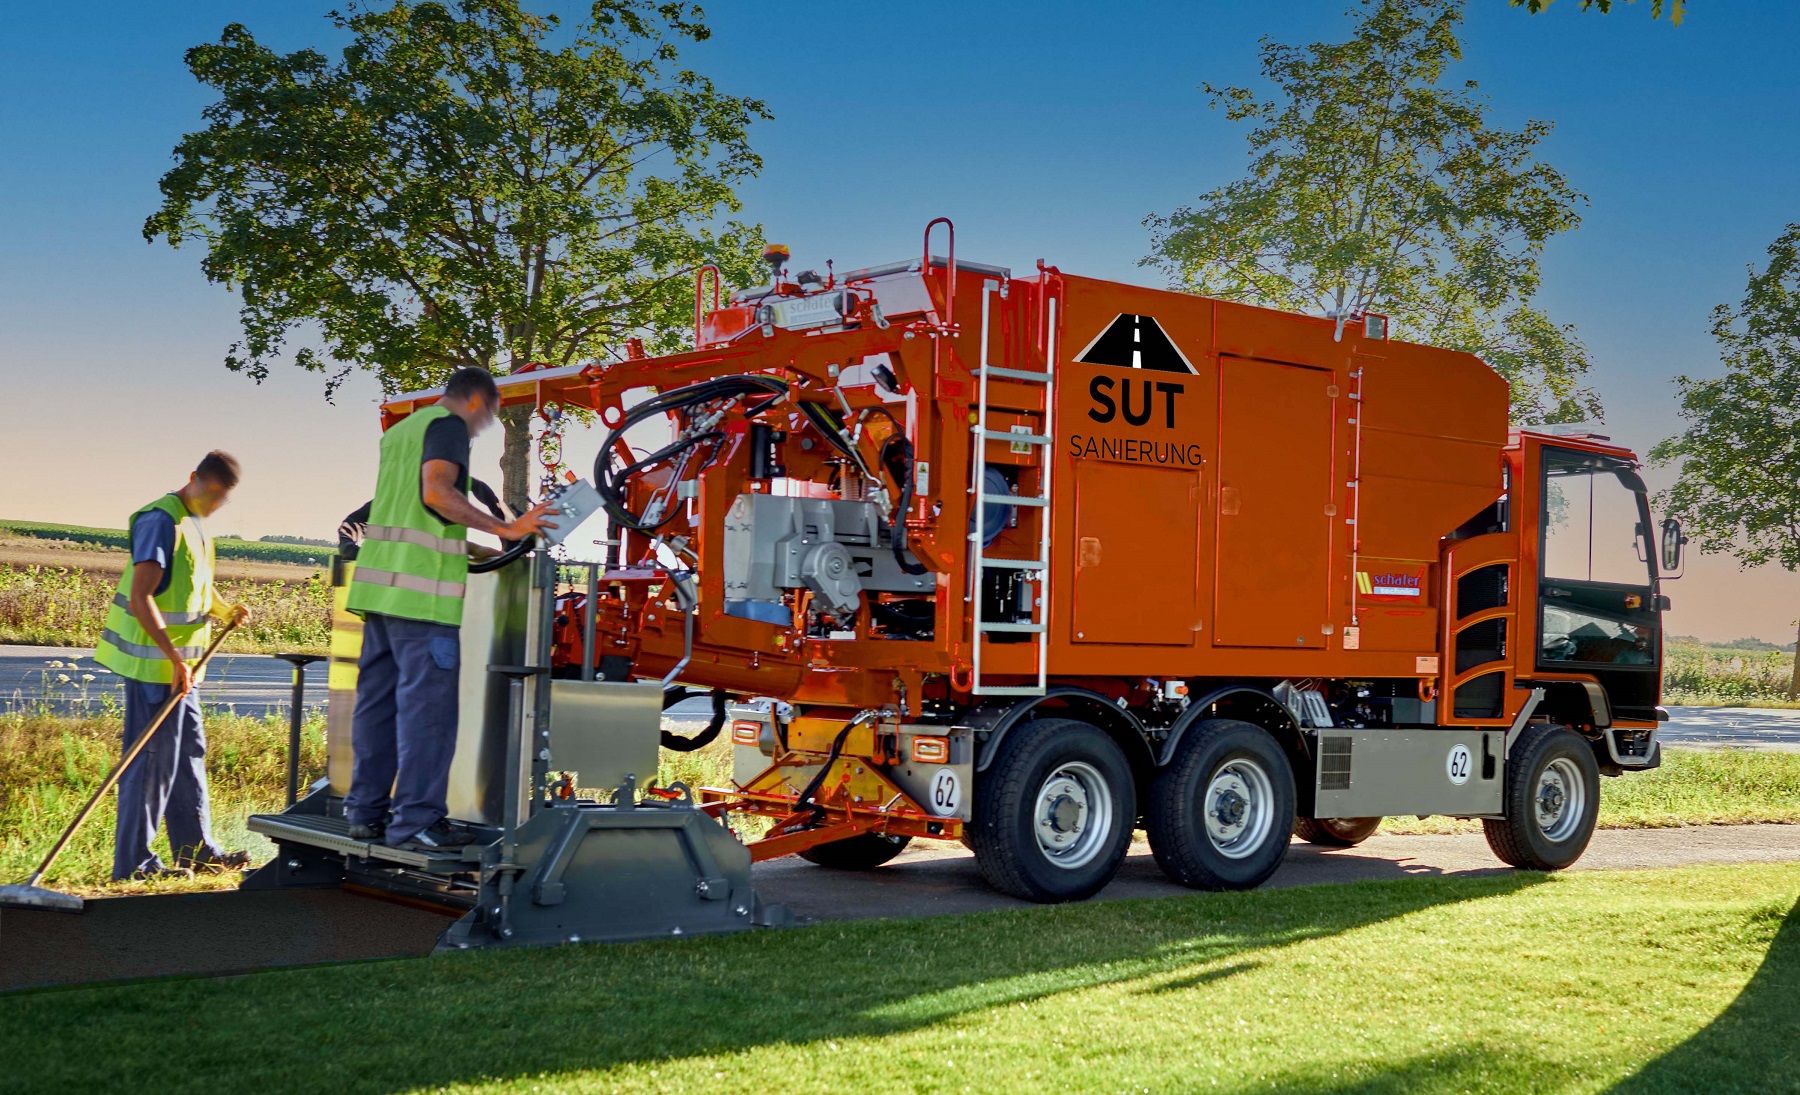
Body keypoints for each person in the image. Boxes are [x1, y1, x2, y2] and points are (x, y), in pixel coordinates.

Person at [343, 367, 557, 848]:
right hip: (423, 602)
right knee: (428, 715)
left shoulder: (402, 431)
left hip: (380, 593)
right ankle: (416, 821)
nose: (486, 427)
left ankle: (366, 813)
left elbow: (412, 517)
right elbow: (437, 493)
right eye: (492, 416)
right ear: (479, 402)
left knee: (377, 709)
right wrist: (508, 529)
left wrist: (478, 549)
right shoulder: (449, 427)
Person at [95, 451, 254, 881]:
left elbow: (194, 590)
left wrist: (224, 611)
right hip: (156, 671)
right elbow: (141, 597)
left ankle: (196, 851)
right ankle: (134, 865)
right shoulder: (159, 520)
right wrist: (172, 660)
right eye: (213, 492)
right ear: (193, 479)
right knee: (150, 768)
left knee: (187, 760)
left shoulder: (195, 526)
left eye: (224, 498)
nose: (216, 503)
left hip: (184, 672)